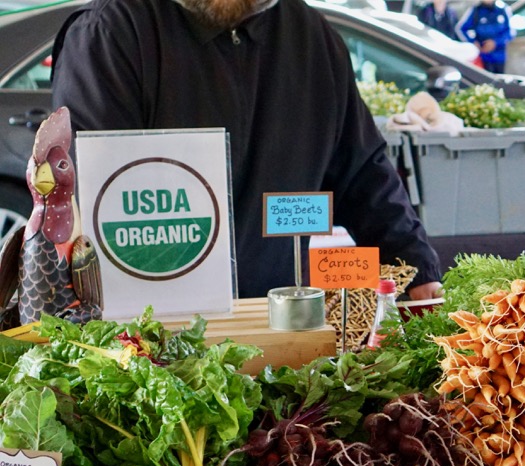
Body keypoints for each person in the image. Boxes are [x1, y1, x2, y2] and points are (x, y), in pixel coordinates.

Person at [50, 0, 444, 300]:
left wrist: (415, 267)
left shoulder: (311, 38)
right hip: (154, 331)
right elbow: (89, 197)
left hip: (278, 321)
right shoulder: (113, 32)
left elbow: (362, 172)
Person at [456, 0, 513, 74]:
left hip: (500, 56)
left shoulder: (503, 9)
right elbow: (460, 29)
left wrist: (495, 42)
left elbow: (511, 32)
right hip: (483, 56)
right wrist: (473, 42)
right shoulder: (475, 10)